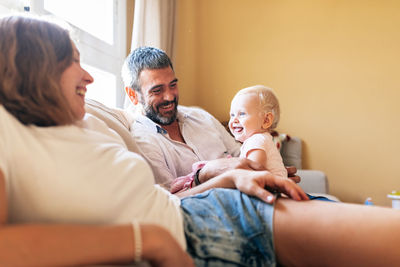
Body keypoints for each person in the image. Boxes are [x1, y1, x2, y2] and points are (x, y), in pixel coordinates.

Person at [2, 15, 400, 267]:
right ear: (34, 69)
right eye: (72, 60)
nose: (88, 77)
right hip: (209, 224)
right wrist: (150, 237)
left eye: (173, 84)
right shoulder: (12, 135)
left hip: (223, 204)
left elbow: (167, 200)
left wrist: (238, 175)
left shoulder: (86, 127)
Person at [122, 46, 299, 190]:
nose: (170, 97)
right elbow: (167, 202)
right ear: (132, 95)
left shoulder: (200, 116)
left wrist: (271, 168)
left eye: (173, 85)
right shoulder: (141, 139)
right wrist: (204, 175)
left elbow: (242, 153)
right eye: (157, 90)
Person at [229, 85, 287, 180]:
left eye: (242, 114)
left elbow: (253, 174)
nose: (234, 120)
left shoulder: (256, 140)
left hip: (267, 191)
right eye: (232, 115)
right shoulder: (263, 138)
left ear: (266, 120)